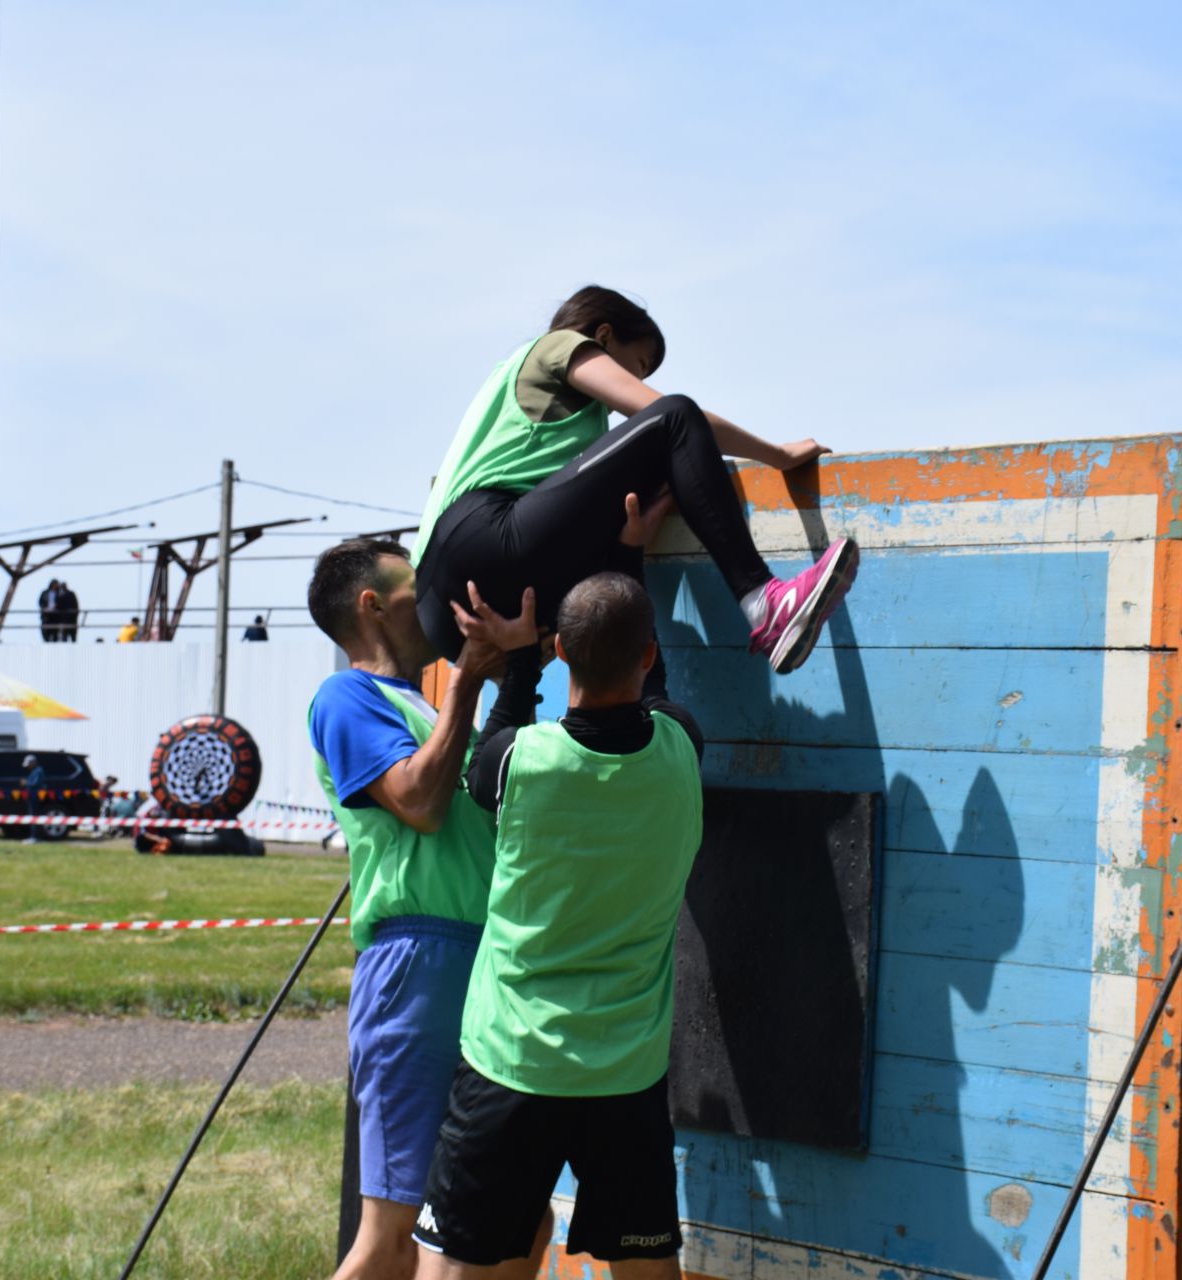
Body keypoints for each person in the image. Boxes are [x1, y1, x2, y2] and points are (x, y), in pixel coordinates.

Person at [412, 572, 705, 1280]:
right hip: (625, 1070)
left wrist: (519, 658)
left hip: (512, 1060)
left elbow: (495, 742)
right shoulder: (682, 749)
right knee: (648, 1270)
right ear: (647, 654)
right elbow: (654, 696)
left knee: (457, 1268)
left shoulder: (519, 762)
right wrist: (634, 558)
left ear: (564, 654)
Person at [412, 285, 859, 683]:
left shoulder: (511, 393)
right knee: (676, 417)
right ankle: (764, 600)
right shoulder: (559, 346)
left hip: (442, 606)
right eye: (639, 365)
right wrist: (776, 455)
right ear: (603, 337)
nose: (639, 380)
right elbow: (668, 414)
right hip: (479, 539)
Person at [306, 538, 539, 1280]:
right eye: (417, 586)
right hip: (418, 963)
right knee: (395, 1235)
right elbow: (419, 802)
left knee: (499, 1221)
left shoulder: (422, 706)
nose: (434, 596)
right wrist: (467, 681)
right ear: (371, 606)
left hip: (483, 959)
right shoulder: (345, 697)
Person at [20, 754, 46, 844]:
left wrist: (26, 783)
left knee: (34, 816)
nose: (28, 767)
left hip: (36, 797)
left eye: (29, 764)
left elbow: (35, 784)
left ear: (34, 763)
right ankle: (33, 836)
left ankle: (35, 837)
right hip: (31, 797)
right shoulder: (34, 771)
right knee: (32, 815)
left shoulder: (38, 771)